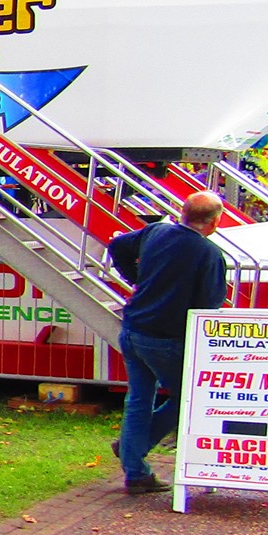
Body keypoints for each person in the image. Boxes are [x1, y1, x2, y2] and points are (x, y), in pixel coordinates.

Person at [107, 191, 227, 495]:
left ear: (183, 213)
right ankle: (136, 450)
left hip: (134, 326)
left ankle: (135, 468)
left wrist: (136, 278)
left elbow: (117, 244)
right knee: (188, 397)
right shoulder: (209, 254)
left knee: (138, 399)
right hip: (166, 337)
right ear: (214, 222)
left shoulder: (156, 231)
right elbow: (209, 306)